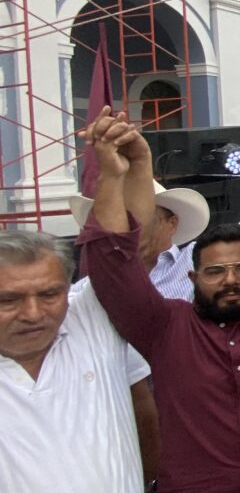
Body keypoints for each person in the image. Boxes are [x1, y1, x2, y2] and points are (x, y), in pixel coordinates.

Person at [77, 107, 240, 492]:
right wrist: (118, 172)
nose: (230, 279)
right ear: (193, 278)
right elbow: (112, 267)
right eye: (215, 272)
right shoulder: (164, 327)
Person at [0, 136, 151, 490]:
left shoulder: (89, 319)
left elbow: (129, 250)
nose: (34, 313)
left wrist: (128, 169)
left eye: (50, 294)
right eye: (9, 300)